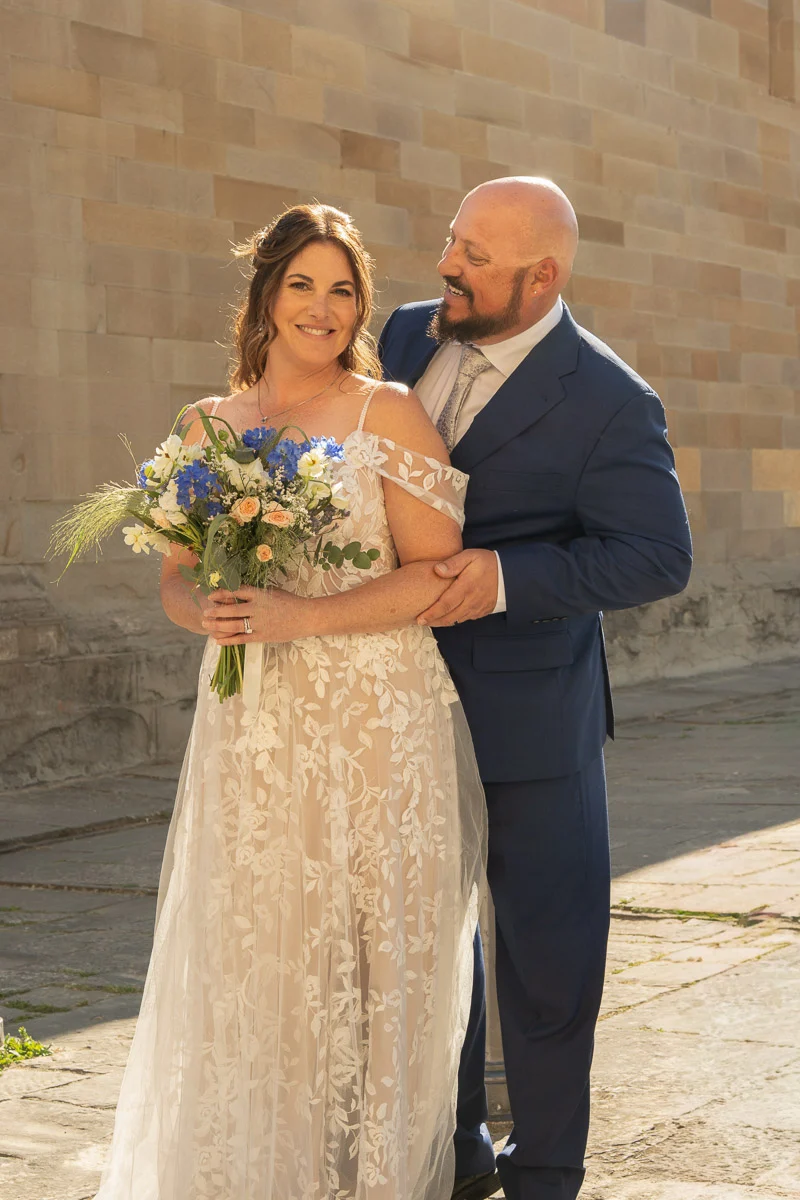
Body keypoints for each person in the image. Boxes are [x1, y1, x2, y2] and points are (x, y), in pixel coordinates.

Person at [95, 203, 486, 1200]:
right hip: (254, 722)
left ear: (357, 305)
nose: (321, 306)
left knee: (369, 959)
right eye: (302, 283)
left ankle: (372, 1179)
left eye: (342, 287)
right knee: (257, 949)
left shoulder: (385, 411)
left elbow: (434, 580)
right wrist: (210, 616)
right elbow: (176, 575)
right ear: (264, 294)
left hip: (373, 713)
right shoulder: (205, 427)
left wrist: (297, 619)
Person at [378, 177, 693, 1200]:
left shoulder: (610, 400)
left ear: (540, 275)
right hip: (388, 697)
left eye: (472, 255)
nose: (445, 266)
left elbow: (654, 556)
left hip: (531, 716)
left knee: (547, 958)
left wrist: (510, 578)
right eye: (449, 239)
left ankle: (546, 1170)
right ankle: (456, 1150)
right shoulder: (399, 336)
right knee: (427, 942)